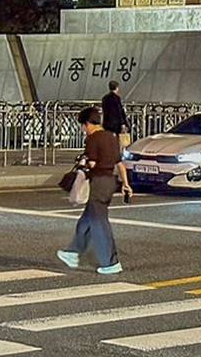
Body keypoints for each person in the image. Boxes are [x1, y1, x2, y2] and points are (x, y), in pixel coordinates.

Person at [57, 106, 132, 275]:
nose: (83, 129)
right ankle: (73, 252)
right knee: (87, 219)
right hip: (110, 183)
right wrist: (126, 184)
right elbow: (119, 164)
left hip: (98, 182)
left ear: (88, 123)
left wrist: (82, 167)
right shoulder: (112, 137)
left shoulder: (92, 139)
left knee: (99, 223)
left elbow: (92, 164)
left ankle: (110, 262)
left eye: (83, 125)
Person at [101, 80, 130, 148]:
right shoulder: (116, 98)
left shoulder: (105, 98)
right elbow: (119, 111)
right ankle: (115, 152)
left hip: (107, 122)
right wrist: (123, 123)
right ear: (117, 88)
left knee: (108, 139)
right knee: (116, 140)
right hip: (115, 123)